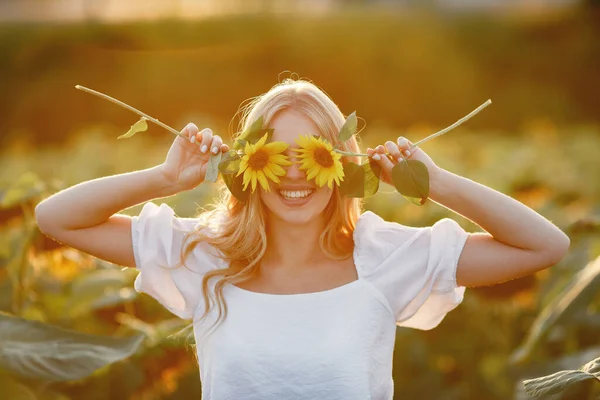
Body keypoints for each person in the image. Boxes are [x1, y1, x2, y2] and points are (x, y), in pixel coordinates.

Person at [35, 78, 570, 400]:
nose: (295, 175)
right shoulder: (205, 254)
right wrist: (164, 179)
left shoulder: (384, 257)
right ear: (247, 165)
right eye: (274, 156)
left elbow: (544, 246)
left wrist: (439, 184)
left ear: (345, 164)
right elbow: (57, 219)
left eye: (315, 155)